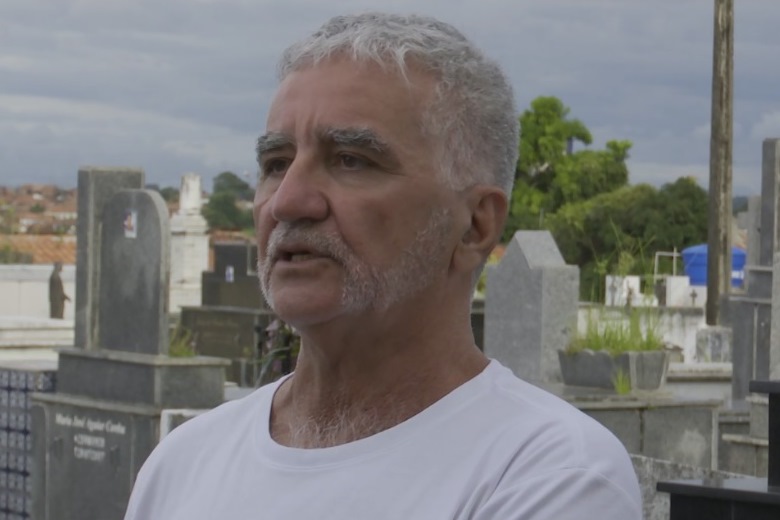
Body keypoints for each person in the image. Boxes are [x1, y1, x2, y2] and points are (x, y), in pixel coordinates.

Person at [124, 13, 642, 519]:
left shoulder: (549, 474)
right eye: (276, 164)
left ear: (474, 225)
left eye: (351, 160)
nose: (288, 201)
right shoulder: (182, 463)